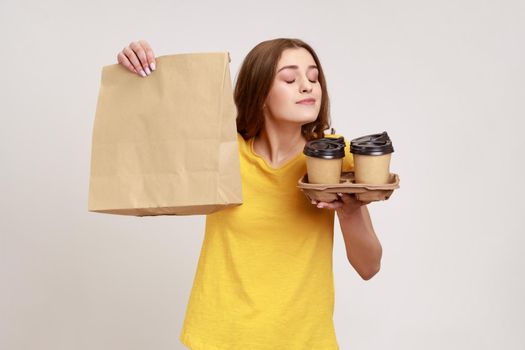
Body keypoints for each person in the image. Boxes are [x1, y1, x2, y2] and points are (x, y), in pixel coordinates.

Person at [117, 38, 383, 350]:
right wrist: (138, 75)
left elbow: (369, 267)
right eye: (289, 78)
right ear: (260, 95)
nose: (307, 86)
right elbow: (150, 139)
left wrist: (348, 209)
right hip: (220, 338)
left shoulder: (334, 157)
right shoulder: (223, 153)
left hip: (305, 342)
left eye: (313, 78)